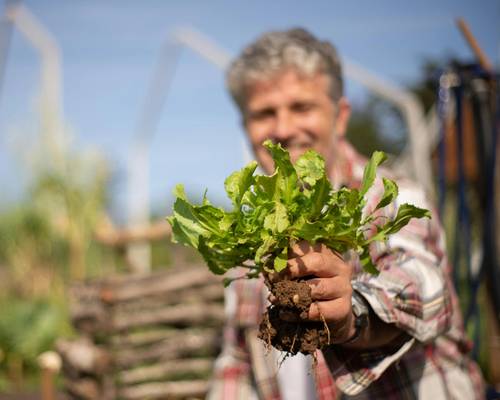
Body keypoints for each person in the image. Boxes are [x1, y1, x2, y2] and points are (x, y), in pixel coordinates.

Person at [207, 28, 484, 400]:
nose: (284, 129)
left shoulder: (387, 198)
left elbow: (424, 287)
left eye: (302, 107)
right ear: (246, 128)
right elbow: (237, 366)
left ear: (339, 117)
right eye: (264, 114)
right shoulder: (250, 245)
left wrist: (351, 312)